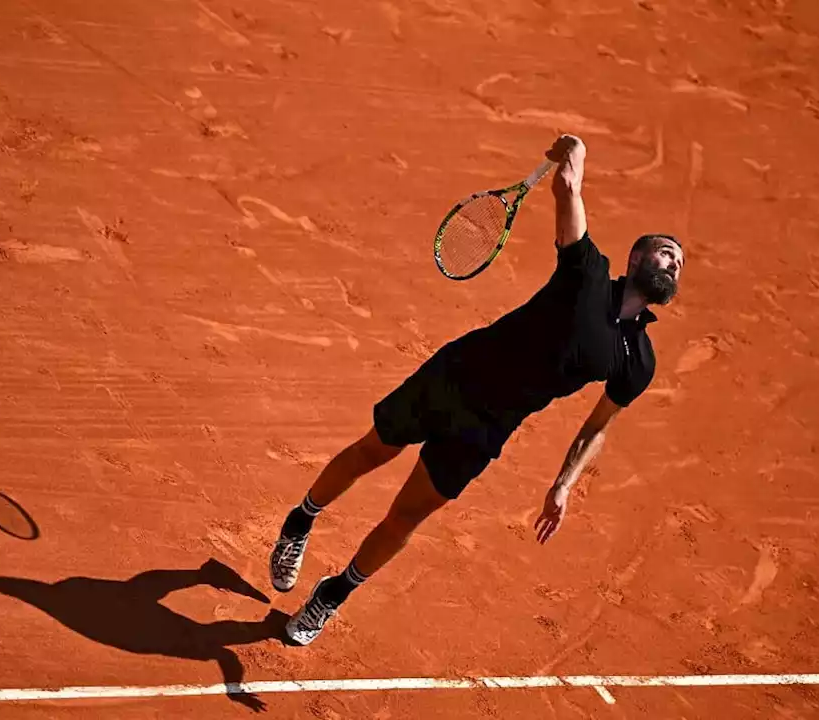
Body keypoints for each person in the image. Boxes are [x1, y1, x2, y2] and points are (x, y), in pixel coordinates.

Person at [271, 134, 685, 646]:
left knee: (405, 516)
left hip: (488, 426)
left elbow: (596, 426)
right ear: (639, 255)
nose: (673, 265)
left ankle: (332, 596)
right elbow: (569, 187)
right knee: (370, 452)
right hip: (454, 376)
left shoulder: (638, 361)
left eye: (679, 266)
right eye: (667, 254)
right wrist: (573, 148)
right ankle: (301, 519)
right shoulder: (588, 270)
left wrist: (563, 484)